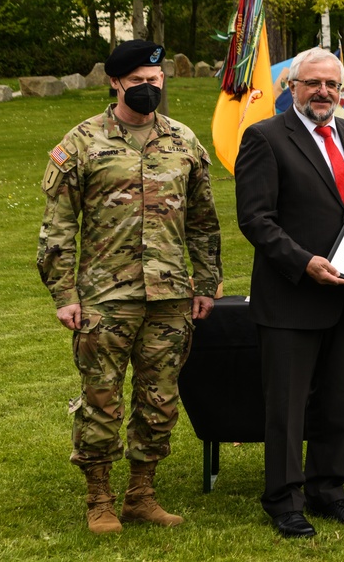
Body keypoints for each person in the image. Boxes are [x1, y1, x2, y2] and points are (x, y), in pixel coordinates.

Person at [37, 39, 222, 535]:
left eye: (155, 81)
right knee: (101, 400)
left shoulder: (183, 141)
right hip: (104, 298)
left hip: (170, 297)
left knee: (159, 400)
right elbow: (57, 228)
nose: (148, 88)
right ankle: (99, 498)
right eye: (138, 81)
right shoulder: (80, 143)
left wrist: (205, 284)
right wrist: (65, 296)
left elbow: (204, 223)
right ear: (116, 83)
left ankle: (142, 492)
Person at [235, 47, 344, 538]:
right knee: (288, 409)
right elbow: (256, 219)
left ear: (342, 91)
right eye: (313, 83)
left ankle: (328, 490)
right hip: (292, 297)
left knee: (339, 403)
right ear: (291, 87)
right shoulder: (265, 138)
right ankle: (284, 500)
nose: (323, 92)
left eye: (332, 85)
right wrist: (304, 262)